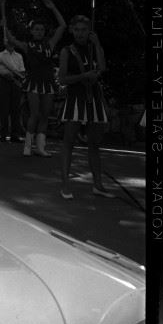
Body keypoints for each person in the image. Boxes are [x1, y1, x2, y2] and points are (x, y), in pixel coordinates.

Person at [58, 16, 114, 200]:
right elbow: (62, 79)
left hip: (94, 98)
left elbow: (102, 68)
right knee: (69, 142)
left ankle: (98, 185)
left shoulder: (94, 48)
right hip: (75, 99)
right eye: (77, 30)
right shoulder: (67, 51)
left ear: (89, 31)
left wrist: (97, 45)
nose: (81, 33)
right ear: (73, 31)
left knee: (94, 144)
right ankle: (65, 184)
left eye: (84, 30)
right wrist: (83, 76)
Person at [4, 0, 66, 157]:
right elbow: (10, 38)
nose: (39, 32)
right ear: (31, 31)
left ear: (44, 32)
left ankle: (40, 147)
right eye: (36, 29)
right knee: (35, 113)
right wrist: (3, 8)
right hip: (33, 81)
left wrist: (53, 7)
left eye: (41, 29)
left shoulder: (50, 44)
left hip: (48, 81)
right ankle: (27, 145)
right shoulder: (27, 45)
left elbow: (63, 26)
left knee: (45, 114)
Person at [0, 38, 26, 144]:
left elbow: (22, 71)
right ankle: (3, 135)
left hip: (16, 82)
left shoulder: (19, 56)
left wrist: (19, 77)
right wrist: (3, 74)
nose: (10, 44)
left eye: (12, 43)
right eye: (8, 42)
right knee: (4, 109)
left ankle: (15, 136)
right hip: (4, 82)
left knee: (16, 110)